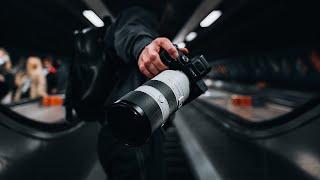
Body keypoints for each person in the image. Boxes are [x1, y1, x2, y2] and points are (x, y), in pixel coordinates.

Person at [98, 6, 189, 180]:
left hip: (128, 127)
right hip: (131, 133)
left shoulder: (139, 18)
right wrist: (145, 48)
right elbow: (132, 32)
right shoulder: (139, 12)